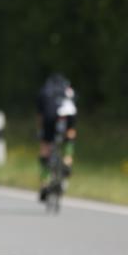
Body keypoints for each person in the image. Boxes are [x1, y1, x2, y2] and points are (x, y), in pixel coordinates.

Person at [36, 73, 77, 201]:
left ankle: (44, 184)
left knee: (45, 147)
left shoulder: (44, 92)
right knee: (70, 133)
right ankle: (67, 160)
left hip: (49, 119)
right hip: (68, 117)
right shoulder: (69, 91)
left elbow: (40, 117)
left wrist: (41, 133)